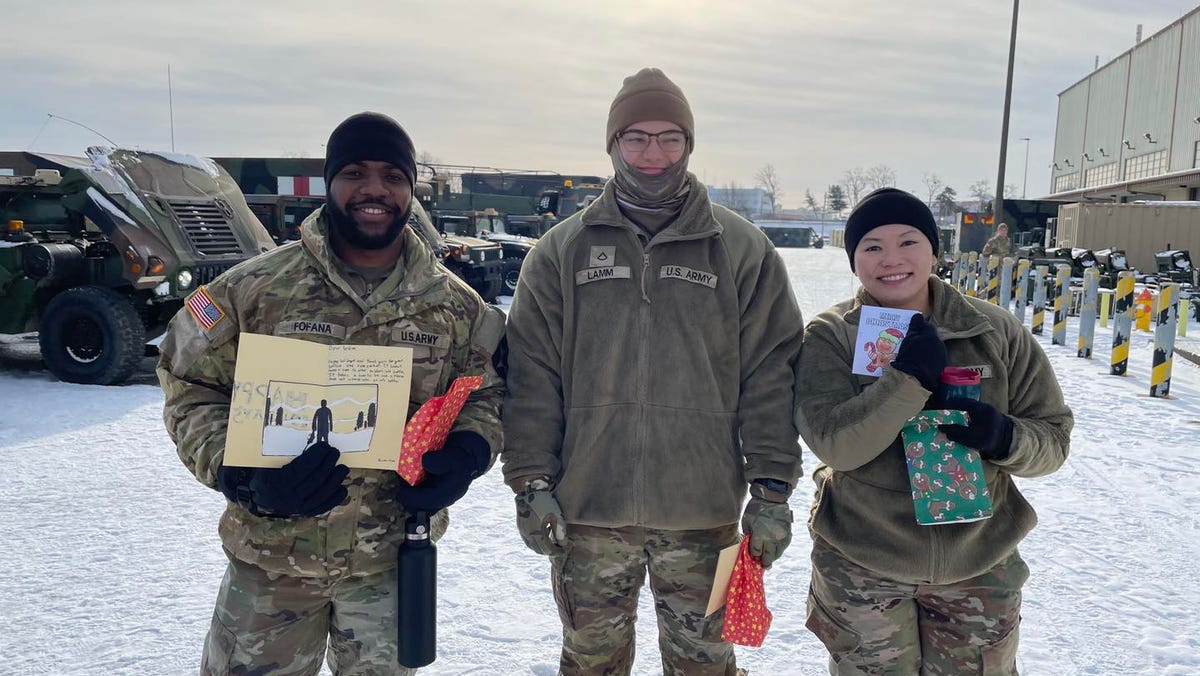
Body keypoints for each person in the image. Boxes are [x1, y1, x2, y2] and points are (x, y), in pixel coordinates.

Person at [158, 111, 504, 675]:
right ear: (329, 182)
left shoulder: (457, 308)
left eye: (392, 175)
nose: (375, 189)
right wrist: (238, 472)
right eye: (356, 173)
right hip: (272, 565)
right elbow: (188, 381)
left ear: (410, 189)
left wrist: (467, 455)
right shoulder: (253, 289)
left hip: (389, 565)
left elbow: (484, 396)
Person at [501, 67, 804, 675]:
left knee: (705, 664)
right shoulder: (562, 252)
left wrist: (771, 489)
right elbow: (533, 376)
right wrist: (532, 482)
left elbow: (771, 377)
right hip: (587, 514)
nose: (653, 153)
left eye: (670, 137)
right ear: (613, 144)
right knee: (591, 663)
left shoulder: (741, 251)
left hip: (703, 514)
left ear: (689, 145)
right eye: (636, 137)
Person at [794, 188, 1072, 674]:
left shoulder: (994, 331)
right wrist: (908, 381)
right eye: (872, 247)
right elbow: (836, 446)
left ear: (934, 251)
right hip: (865, 564)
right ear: (854, 260)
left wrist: (1004, 437)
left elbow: (1053, 440)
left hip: (979, 566)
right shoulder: (832, 335)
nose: (892, 259)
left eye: (908, 242)